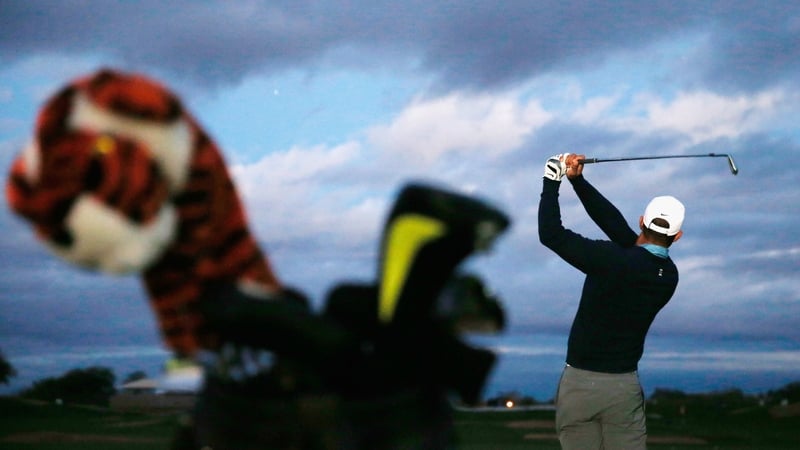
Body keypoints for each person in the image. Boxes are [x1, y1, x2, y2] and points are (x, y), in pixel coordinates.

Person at [538, 153, 685, 450]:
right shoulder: (668, 276)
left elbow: (551, 234)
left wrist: (552, 180)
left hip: (579, 384)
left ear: (642, 221)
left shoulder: (610, 259)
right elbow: (619, 231)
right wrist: (578, 182)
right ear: (677, 236)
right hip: (623, 388)